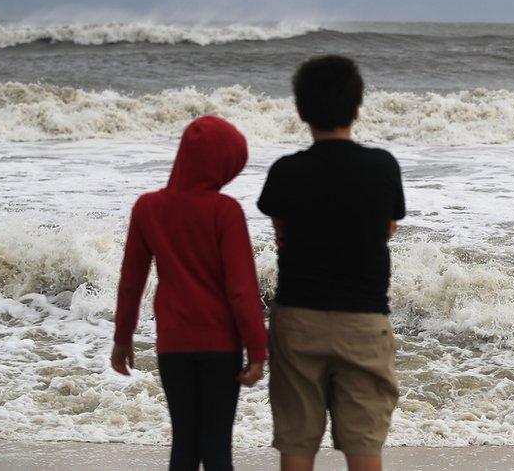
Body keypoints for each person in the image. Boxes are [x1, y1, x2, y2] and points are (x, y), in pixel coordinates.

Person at [258, 55, 405, 471]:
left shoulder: (286, 171)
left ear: (301, 110)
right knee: (364, 444)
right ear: (357, 108)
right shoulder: (381, 167)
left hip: (298, 316)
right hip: (363, 319)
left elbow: (281, 234)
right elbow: (388, 228)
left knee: (297, 444)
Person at [110, 115, 268, 471]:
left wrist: (123, 338)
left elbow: (131, 281)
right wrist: (257, 349)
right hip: (221, 346)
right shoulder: (225, 211)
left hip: (174, 344)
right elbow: (241, 288)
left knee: (183, 446)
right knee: (216, 449)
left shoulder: (148, 207)